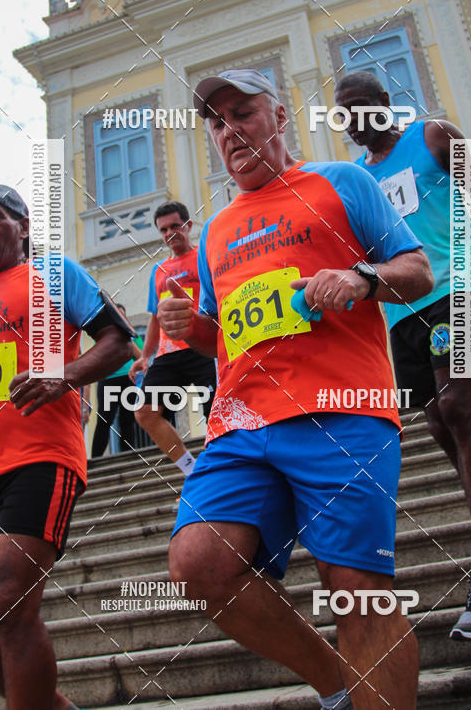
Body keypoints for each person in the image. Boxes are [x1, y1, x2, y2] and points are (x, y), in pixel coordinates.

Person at [161, 68, 435, 709]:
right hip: (240, 425)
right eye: (217, 122)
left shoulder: (343, 182)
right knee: (198, 563)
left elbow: (417, 271)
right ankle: (341, 683)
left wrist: (362, 278)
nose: (231, 131)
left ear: (280, 117)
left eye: (244, 112)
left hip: (340, 412)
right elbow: (226, 339)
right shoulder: (214, 231)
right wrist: (194, 326)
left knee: (356, 588)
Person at [334, 71, 471, 639]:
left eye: (362, 106)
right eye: (344, 112)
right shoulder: (356, 181)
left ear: (385, 104)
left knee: (460, 408)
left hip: (457, 289)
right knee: (441, 425)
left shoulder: (432, 136)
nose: (355, 119)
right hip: (400, 315)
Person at [0, 183, 133, 710]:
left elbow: (119, 341)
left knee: (8, 599)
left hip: (40, 459)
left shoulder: (53, 273)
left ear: (24, 225)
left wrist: (63, 375)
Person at [129, 202, 216, 477]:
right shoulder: (159, 270)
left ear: (188, 226)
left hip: (203, 346)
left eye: (175, 226)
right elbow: (155, 318)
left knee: (216, 414)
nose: (170, 233)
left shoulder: (205, 256)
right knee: (144, 412)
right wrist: (145, 355)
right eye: (164, 229)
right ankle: (191, 470)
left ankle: (220, 473)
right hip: (168, 354)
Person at [91, 303, 143, 457]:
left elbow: (140, 357)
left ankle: (128, 457)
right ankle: (96, 459)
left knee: (127, 419)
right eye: (116, 315)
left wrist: (126, 334)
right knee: (104, 420)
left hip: (128, 379)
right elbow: (97, 359)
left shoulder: (133, 334)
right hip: (108, 380)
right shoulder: (102, 335)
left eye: (122, 315)